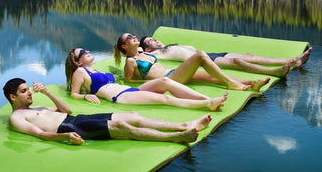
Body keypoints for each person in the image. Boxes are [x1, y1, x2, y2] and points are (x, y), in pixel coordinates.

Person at [3, 77, 213, 145]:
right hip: (68, 127)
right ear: (13, 97)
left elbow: (66, 109)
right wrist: (65, 136)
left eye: (29, 90)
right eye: (24, 92)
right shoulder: (17, 118)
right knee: (122, 126)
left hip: (76, 118)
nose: (29, 94)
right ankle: (176, 137)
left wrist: (48, 93)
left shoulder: (37, 106)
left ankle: (184, 124)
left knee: (133, 116)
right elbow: (40, 135)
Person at [65, 48, 229, 111]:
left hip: (129, 91)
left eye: (86, 50)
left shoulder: (96, 69)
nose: (87, 51)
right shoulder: (80, 71)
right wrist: (85, 96)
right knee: (164, 98)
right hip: (120, 97)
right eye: (82, 52)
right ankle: (206, 104)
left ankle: (207, 99)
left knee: (165, 82)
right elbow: (74, 94)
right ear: (78, 61)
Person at [115, 33, 272, 91]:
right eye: (129, 38)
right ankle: (232, 84)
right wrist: (152, 82)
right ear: (124, 46)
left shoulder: (142, 52)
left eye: (133, 35)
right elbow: (129, 80)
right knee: (200, 56)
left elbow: (146, 50)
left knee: (211, 77)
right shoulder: (130, 61)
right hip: (168, 80)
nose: (133, 37)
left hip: (172, 74)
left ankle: (252, 83)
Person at [139, 35, 312, 76]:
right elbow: (136, 54)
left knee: (248, 55)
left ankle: (292, 60)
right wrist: (140, 49)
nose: (154, 40)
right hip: (202, 60)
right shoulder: (156, 55)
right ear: (147, 49)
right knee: (236, 61)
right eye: (150, 41)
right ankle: (274, 72)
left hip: (209, 54)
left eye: (153, 38)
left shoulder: (169, 46)